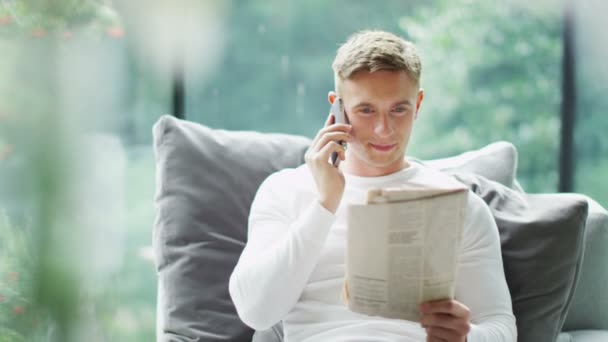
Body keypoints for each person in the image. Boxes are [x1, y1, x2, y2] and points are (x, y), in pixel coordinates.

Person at [229, 30, 516, 342]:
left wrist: (465, 338)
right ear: (337, 107)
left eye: (398, 109)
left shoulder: (460, 204)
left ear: (418, 104)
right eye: (366, 110)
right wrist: (325, 203)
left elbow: (500, 327)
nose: (384, 129)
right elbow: (256, 312)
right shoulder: (285, 191)